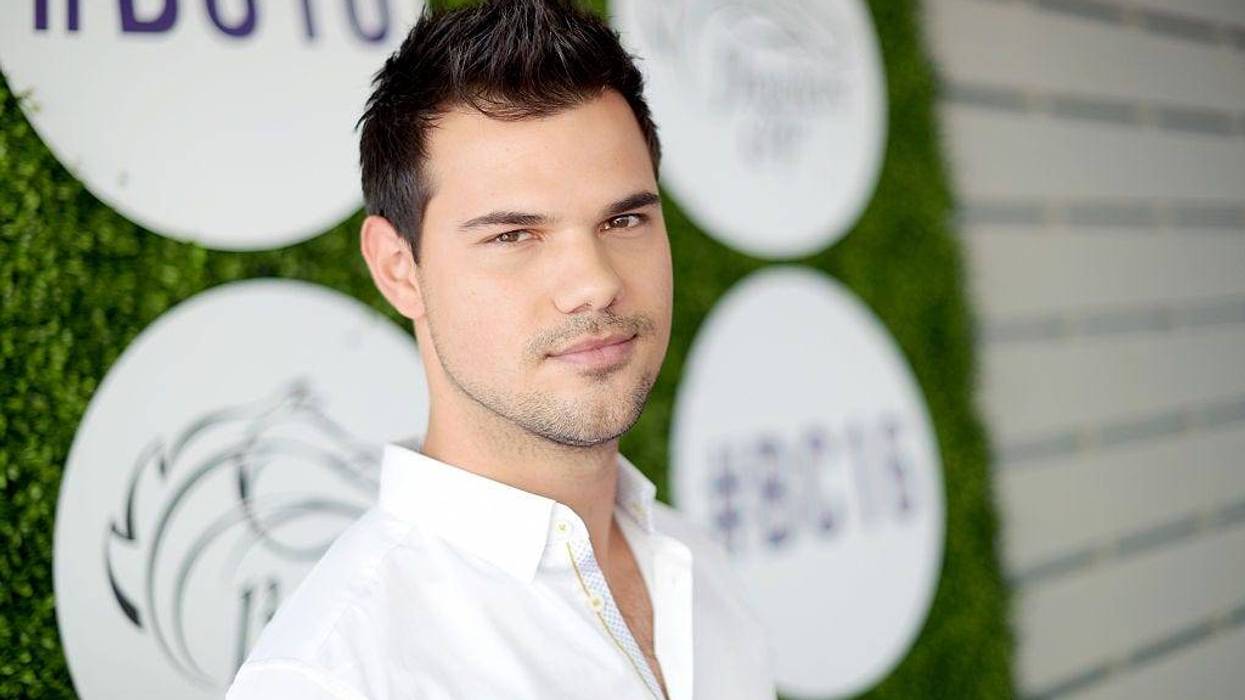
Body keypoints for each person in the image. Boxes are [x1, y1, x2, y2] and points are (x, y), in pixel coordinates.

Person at [226, 0, 776, 698]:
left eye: (625, 218)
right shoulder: (336, 674)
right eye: (513, 235)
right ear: (400, 269)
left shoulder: (696, 565)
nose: (595, 285)